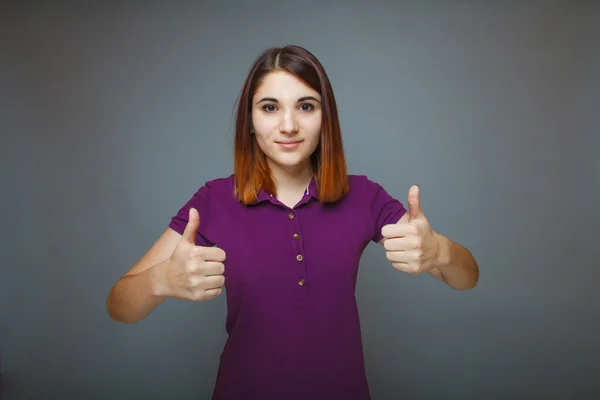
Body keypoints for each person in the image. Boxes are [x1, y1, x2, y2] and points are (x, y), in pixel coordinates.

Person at [106, 45, 479, 399]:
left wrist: (440, 251)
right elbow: (119, 306)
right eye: (270, 107)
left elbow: (467, 278)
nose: (288, 125)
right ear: (250, 121)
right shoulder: (213, 201)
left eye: (305, 106)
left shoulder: (364, 196)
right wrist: (161, 280)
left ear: (325, 117)